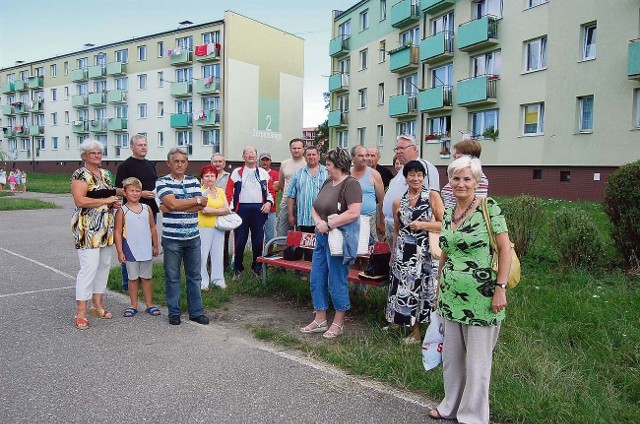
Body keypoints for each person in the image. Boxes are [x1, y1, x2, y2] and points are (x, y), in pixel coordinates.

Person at [429, 156, 510, 423]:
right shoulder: (450, 212)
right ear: (449, 182)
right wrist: (440, 286)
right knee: (452, 359)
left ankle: (473, 415)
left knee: (477, 363)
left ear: (476, 182)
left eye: (466, 178)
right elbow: (445, 252)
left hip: (483, 299)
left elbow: (505, 250)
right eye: (455, 178)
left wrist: (500, 288)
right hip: (451, 297)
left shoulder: (489, 208)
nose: (460, 183)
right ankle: (450, 405)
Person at [300, 148, 362, 339]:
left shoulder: (351, 185)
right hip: (321, 237)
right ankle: (320, 318)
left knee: (336, 280)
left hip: (338, 239)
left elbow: (354, 212)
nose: (325, 167)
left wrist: (329, 223)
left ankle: (339, 321)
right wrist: (318, 221)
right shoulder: (328, 182)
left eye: (328, 164)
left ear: (338, 165)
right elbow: (315, 206)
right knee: (317, 277)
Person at [386, 160, 444, 343]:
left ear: (424, 177)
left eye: (419, 174)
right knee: (401, 290)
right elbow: (397, 230)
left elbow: (445, 224)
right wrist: (393, 253)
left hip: (423, 253)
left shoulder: (432, 196)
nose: (416, 178)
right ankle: (399, 321)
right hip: (403, 252)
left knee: (419, 291)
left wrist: (423, 225)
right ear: (406, 177)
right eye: (412, 174)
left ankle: (417, 332)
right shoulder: (399, 201)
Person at [70, 139, 121, 330]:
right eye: (93, 153)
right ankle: (80, 313)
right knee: (89, 268)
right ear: (84, 155)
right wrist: (106, 200)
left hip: (105, 227)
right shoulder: (80, 174)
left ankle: (97, 305)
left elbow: (105, 195)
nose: (98, 156)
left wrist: (112, 202)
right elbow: (80, 200)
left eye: (99, 152)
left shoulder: (106, 174)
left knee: (103, 266)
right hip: (87, 228)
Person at [156, 148, 210, 326]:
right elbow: (171, 204)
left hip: (193, 237)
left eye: (183, 161)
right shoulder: (162, 182)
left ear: (187, 163)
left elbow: (201, 206)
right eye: (176, 161)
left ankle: (196, 312)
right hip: (172, 238)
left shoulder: (194, 180)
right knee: (172, 277)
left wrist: (177, 205)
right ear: (169, 163)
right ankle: (174, 312)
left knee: (195, 276)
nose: (180, 164)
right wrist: (194, 201)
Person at [115, 134, 159, 292]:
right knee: (130, 246)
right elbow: (119, 190)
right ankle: (128, 283)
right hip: (130, 214)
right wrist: (140, 194)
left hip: (149, 211)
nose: (143, 147)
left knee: (145, 246)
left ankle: (142, 280)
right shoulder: (125, 166)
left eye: (145, 145)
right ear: (132, 147)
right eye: (140, 145)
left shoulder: (150, 165)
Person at [114, 177, 160, 317]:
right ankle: (133, 305)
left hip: (146, 249)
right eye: (131, 191)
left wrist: (155, 245)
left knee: (146, 278)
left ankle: (149, 304)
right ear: (125, 193)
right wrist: (120, 251)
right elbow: (117, 232)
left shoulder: (147, 208)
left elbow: (153, 227)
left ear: (141, 192)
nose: (134, 193)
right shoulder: (122, 211)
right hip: (130, 250)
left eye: (137, 191)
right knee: (133, 278)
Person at [225, 145, 274, 278]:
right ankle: (238, 269)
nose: (251, 155)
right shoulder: (237, 173)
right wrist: (231, 209)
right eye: (248, 153)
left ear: (256, 156)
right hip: (242, 210)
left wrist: (269, 203)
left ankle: (256, 268)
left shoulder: (264, 173)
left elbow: (271, 192)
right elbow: (229, 192)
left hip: (259, 210)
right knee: (240, 241)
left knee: (258, 241)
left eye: (253, 153)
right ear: (243, 156)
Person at [382, 134, 440, 242]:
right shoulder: (402, 170)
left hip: (413, 228)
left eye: (402, 148)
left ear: (414, 148)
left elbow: (432, 198)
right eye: (397, 149)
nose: (398, 151)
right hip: (394, 225)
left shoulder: (425, 167)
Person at [286, 146, 328, 260]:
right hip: (304, 217)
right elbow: (290, 196)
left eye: (314, 154)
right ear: (305, 157)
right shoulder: (298, 174)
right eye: (308, 155)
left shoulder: (327, 172)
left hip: (322, 218)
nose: (311, 157)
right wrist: (290, 214)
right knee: (306, 247)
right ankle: (306, 271)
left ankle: (320, 270)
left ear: (319, 156)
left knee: (321, 246)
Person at [198, 165, 231, 290]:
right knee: (202, 255)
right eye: (207, 176)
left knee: (218, 254)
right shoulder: (200, 192)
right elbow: (204, 210)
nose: (210, 178)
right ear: (202, 178)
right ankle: (203, 282)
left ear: (216, 178)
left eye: (212, 175)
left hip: (218, 226)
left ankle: (218, 280)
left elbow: (227, 208)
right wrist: (220, 210)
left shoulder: (220, 191)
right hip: (204, 227)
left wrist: (217, 211)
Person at [440, 138, 489, 208]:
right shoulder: (458, 174)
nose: (454, 156)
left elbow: (477, 205)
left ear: (469, 156)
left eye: (457, 153)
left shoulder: (477, 177)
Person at [351, 145, 385, 243]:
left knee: (369, 248)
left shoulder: (374, 174)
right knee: (352, 247)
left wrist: (382, 222)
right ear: (353, 157)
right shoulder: (347, 174)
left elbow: (382, 200)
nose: (365, 158)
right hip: (350, 219)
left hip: (369, 219)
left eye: (366, 155)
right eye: (361, 155)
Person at [276, 138, 306, 239]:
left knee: (301, 235)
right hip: (286, 202)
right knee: (282, 234)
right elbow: (281, 184)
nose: (296, 150)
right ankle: (282, 254)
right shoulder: (284, 164)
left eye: (299, 148)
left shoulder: (308, 164)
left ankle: (299, 255)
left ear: (303, 149)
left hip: (303, 204)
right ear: (290, 149)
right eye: (294, 148)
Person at [211, 153, 231, 270]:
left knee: (224, 240)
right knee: (210, 240)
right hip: (209, 213)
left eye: (220, 161)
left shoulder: (229, 177)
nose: (218, 164)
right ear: (211, 163)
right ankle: (210, 265)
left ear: (224, 164)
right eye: (215, 161)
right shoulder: (207, 176)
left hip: (224, 213)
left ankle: (225, 265)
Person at [259, 152, 280, 246]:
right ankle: (259, 257)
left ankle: (268, 257)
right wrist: (269, 186)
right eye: (263, 160)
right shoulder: (256, 172)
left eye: (267, 160)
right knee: (257, 236)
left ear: (270, 161)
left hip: (270, 209)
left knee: (270, 237)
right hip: (257, 208)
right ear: (259, 161)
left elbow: (276, 187)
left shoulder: (275, 174)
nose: (265, 162)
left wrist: (261, 187)